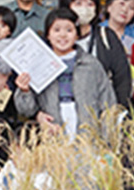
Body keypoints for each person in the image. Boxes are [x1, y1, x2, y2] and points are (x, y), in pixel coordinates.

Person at [15, 8, 117, 138]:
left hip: (88, 129)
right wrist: (25, 91)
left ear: (77, 35)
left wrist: (108, 138)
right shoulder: (38, 65)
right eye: (56, 30)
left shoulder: (90, 64)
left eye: (69, 30)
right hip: (53, 129)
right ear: (48, 35)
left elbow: (107, 101)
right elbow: (26, 110)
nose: (63, 35)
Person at [59, 0, 132, 106]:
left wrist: (117, 110)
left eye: (90, 4)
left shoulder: (106, 37)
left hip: (100, 110)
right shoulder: (55, 39)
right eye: (78, 3)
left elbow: (122, 79)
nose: (85, 8)